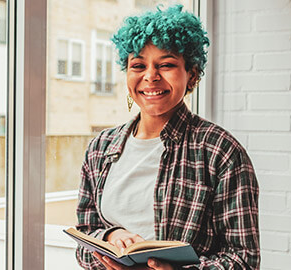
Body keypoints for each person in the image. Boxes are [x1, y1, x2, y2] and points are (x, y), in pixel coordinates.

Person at [75, 4, 260, 270]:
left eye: (167, 64)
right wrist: (111, 236)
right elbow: (84, 240)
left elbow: (245, 260)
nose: (150, 76)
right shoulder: (99, 149)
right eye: (138, 65)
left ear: (192, 74)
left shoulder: (221, 151)